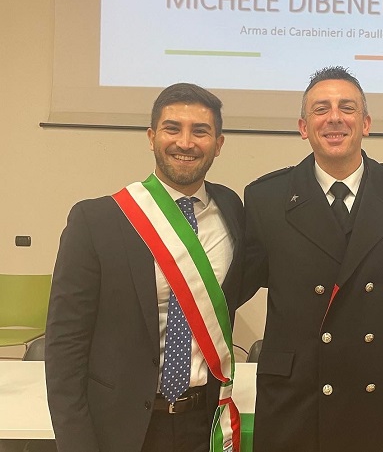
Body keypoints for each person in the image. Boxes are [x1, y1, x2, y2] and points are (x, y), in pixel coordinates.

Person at [45, 83, 244, 452]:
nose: (185, 142)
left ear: (218, 143)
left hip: (206, 425)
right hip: (122, 429)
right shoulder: (96, 220)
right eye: (172, 128)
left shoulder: (232, 211)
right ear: (152, 137)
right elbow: (65, 348)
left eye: (200, 131)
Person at [241, 66, 383, 451]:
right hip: (298, 397)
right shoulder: (266, 199)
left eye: (347, 107)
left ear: (366, 123)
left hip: (381, 393)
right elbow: (240, 283)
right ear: (303, 126)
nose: (335, 118)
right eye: (321, 109)